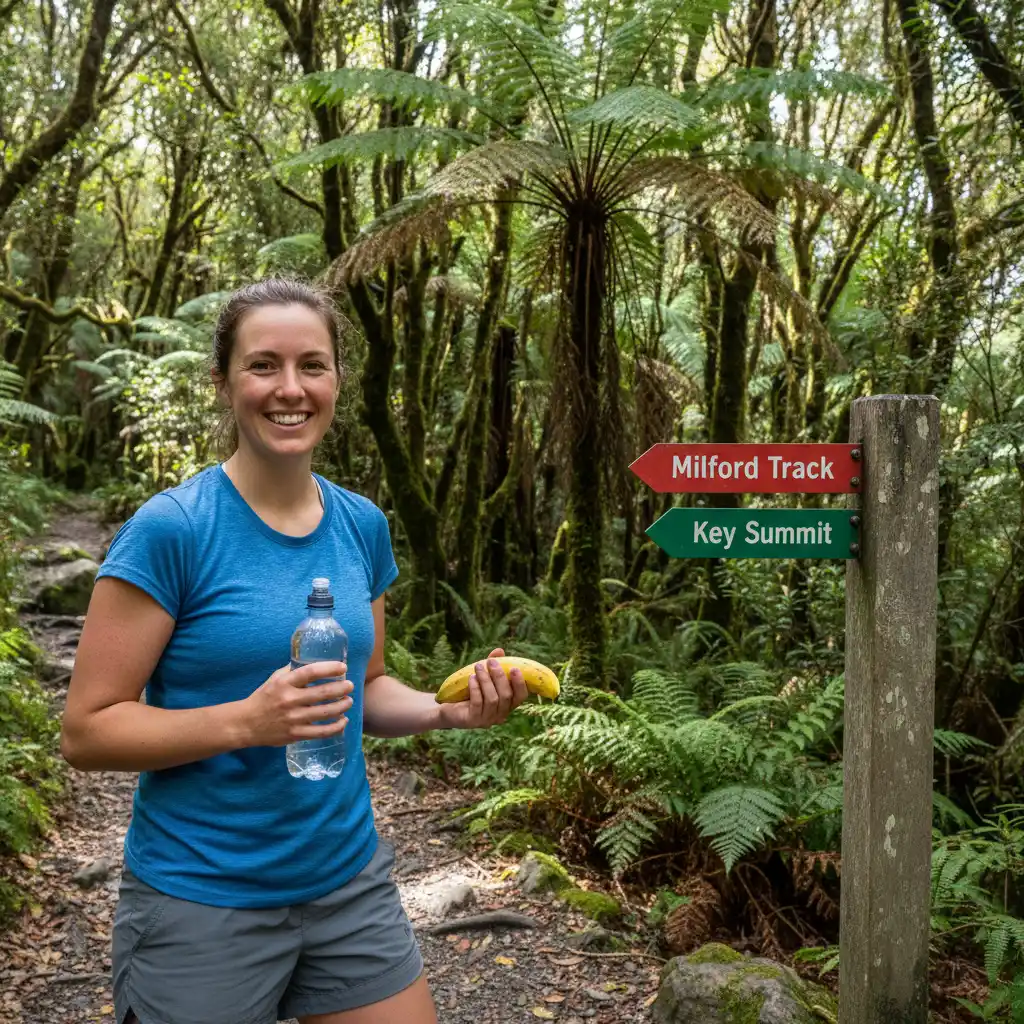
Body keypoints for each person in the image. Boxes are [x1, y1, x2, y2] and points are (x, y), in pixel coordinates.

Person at [60, 278, 530, 1024]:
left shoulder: (361, 525)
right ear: (224, 383)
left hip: (348, 885)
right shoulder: (173, 530)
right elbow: (86, 731)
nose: (291, 389)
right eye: (263, 366)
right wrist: (247, 722)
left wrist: (450, 713)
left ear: (338, 379)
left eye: (312, 365)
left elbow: (366, 689)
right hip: (202, 897)